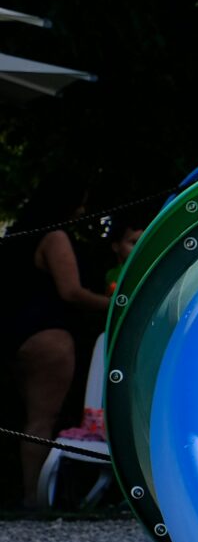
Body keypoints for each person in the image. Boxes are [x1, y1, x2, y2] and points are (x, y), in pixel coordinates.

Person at [5, 173, 112, 506]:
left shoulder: (19, 237)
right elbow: (71, 292)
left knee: (26, 417)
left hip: (17, 333)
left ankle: (27, 494)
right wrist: (117, 304)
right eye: (80, 202)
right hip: (49, 336)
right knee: (42, 420)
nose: (83, 210)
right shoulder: (55, 237)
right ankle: (34, 499)